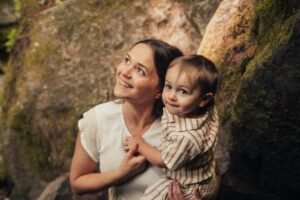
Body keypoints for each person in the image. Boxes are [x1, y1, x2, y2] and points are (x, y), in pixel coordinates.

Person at [69, 39, 184, 199]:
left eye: (140, 71)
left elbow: (213, 172)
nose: (124, 72)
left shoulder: (181, 128)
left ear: (160, 90)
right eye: (127, 60)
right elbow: (77, 183)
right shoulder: (97, 120)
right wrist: (121, 174)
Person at [124, 55, 220, 199]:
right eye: (168, 86)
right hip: (205, 175)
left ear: (204, 99)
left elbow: (163, 161)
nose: (171, 96)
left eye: (183, 91)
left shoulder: (186, 137)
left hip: (188, 189)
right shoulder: (201, 109)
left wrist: (140, 144)